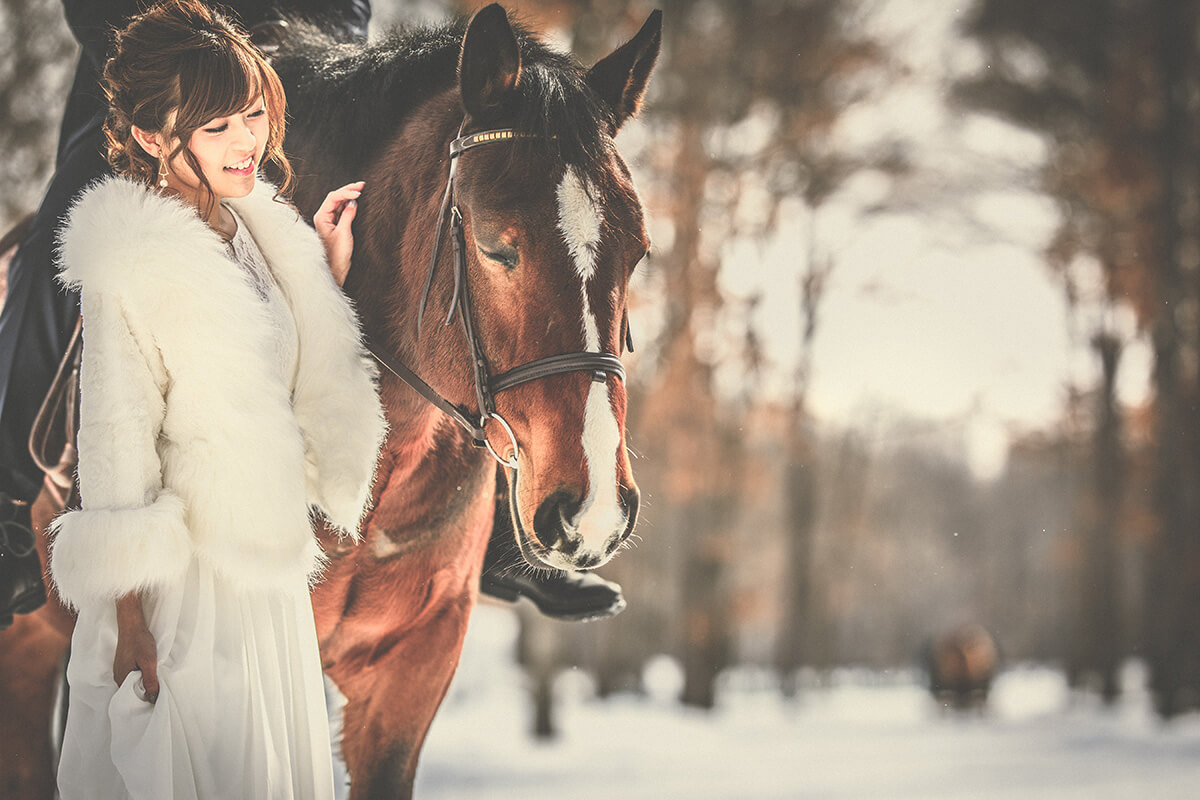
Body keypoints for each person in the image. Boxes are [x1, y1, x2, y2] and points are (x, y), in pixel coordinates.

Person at [0, 0, 623, 630]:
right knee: (65, 226)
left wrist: (318, 51)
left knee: (467, 197)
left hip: (306, 72)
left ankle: (501, 514)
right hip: (157, 77)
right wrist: (188, 58)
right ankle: (7, 497)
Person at [48, 3, 386, 797]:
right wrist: (130, 619)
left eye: (254, 114)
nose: (248, 143)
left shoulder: (259, 232)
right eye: (217, 126)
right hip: (185, 595)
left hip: (263, 578)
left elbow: (264, 370)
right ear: (151, 137)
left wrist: (320, 279)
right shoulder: (130, 260)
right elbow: (115, 440)